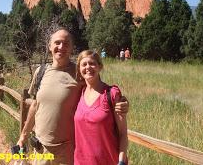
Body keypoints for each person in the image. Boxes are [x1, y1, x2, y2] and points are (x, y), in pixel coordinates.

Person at [17, 28, 128, 165]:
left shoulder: (79, 73)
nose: (61, 47)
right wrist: (23, 135)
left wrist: (121, 101)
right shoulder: (41, 72)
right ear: (50, 46)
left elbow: (98, 90)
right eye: (57, 43)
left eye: (66, 43)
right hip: (41, 149)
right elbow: (35, 105)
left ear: (71, 48)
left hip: (68, 152)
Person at [74, 50, 128, 165]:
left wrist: (121, 161)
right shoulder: (78, 93)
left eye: (92, 63)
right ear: (79, 69)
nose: (88, 67)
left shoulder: (111, 94)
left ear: (100, 66)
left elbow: (123, 133)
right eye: (84, 64)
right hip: (80, 161)